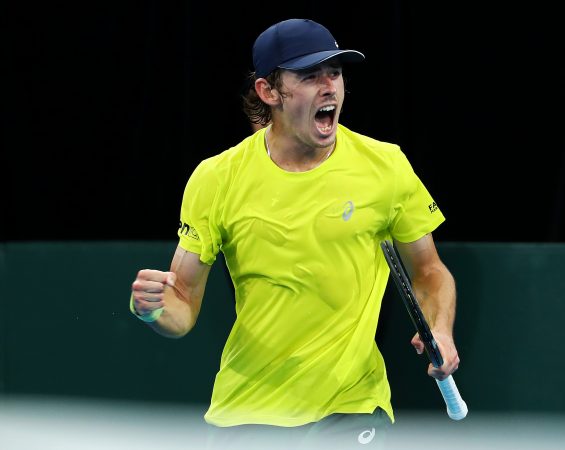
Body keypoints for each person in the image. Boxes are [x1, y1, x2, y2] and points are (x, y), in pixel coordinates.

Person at [129, 18, 460, 449]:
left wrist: (443, 326)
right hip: (246, 413)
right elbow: (183, 304)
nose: (330, 87)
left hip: (353, 405)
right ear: (269, 92)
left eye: (336, 73)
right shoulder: (216, 178)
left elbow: (430, 271)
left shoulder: (386, 167)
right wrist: (153, 309)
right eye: (308, 75)